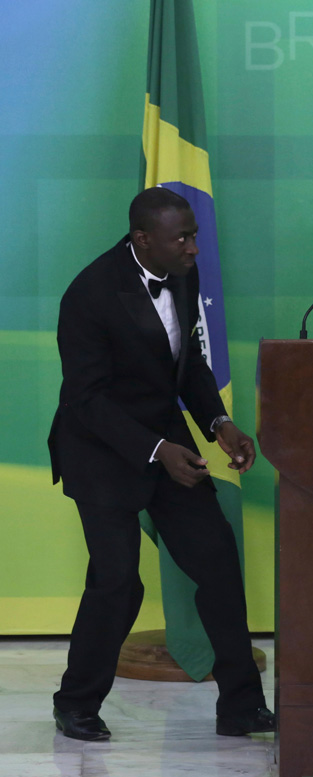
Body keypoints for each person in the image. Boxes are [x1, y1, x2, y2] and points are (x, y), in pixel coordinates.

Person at [47, 186, 274, 741]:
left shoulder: (180, 271)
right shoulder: (89, 293)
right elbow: (87, 398)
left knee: (218, 561)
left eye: (194, 235)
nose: (195, 247)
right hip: (99, 451)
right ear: (143, 239)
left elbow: (188, 363)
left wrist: (219, 426)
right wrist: (156, 451)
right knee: (118, 581)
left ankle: (241, 707)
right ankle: (75, 702)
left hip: (167, 443)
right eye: (183, 238)